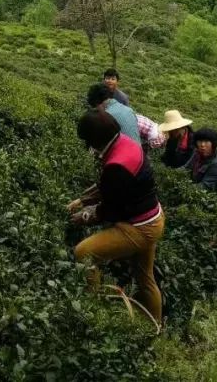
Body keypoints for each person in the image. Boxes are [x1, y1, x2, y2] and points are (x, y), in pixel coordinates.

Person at [67, 110, 165, 324]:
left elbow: (110, 208)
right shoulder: (125, 143)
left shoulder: (117, 164)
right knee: (145, 279)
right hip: (153, 219)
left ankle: (95, 314)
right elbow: (109, 186)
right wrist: (83, 201)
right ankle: (155, 327)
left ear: (95, 139)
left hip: (139, 227)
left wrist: (84, 217)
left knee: (84, 252)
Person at [189, 127, 217, 194]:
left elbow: (204, 186)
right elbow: (186, 167)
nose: (202, 145)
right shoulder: (197, 153)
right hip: (195, 187)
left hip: (210, 197)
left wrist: (182, 187)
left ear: (213, 143)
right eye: (200, 141)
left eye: (206, 141)